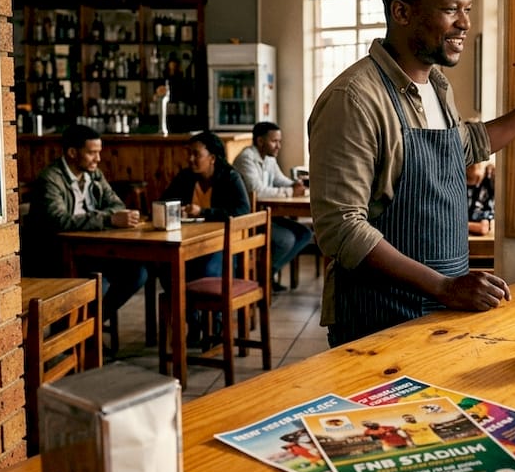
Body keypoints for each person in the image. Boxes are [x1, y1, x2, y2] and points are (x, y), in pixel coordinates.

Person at [308, 0, 515, 346]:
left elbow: (466, 146)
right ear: (401, 12)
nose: (465, 23)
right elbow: (341, 228)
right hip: (378, 323)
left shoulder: (435, 86)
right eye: (451, 9)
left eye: (466, 9)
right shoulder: (354, 99)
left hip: (439, 314)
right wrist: (445, 287)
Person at [20, 124, 147, 323]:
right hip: (54, 254)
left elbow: (116, 204)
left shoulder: (93, 173)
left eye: (99, 152)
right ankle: (76, 332)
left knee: (136, 273)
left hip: (90, 249)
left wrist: (106, 216)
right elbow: (59, 220)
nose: (98, 159)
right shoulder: (50, 179)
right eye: (91, 153)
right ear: (72, 152)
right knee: (98, 281)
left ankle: (90, 326)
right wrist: (107, 219)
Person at [233, 121, 315, 292]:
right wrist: (291, 192)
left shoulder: (269, 159)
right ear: (260, 141)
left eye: (280, 141)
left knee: (305, 234)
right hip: (248, 218)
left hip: (267, 215)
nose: (279, 146)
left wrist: (295, 184)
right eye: (274, 141)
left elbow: (280, 180)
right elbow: (257, 191)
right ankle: (261, 278)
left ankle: (266, 275)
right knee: (286, 239)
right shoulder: (246, 159)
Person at [160, 131, 251, 279]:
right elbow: (164, 201)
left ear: (212, 158)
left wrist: (203, 212)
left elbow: (243, 211)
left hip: (224, 242)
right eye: (189, 153)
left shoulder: (230, 177)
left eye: (196, 154)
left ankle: (200, 300)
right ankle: (183, 301)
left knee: (206, 272)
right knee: (165, 268)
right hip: (190, 240)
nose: (190, 159)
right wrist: (175, 210)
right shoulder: (185, 177)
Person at [465, 159, 495, 236]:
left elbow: (483, 228)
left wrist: (456, 225)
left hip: (481, 239)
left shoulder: (488, 183)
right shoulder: (455, 184)